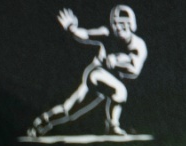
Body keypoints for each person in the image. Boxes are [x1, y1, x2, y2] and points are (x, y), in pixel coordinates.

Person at [28, 6, 147, 137]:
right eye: (115, 23)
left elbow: (135, 71)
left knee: (69, 111)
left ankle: (41, 122)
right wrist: (72, 28)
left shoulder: (139, 45)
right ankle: (113, 125)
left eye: (123, 23)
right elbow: (86, 34)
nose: (118, 27)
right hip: (96, 74)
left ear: (131, 24)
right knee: (120, 91)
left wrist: (118, 62)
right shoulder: (107, 33)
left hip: (108, 81)